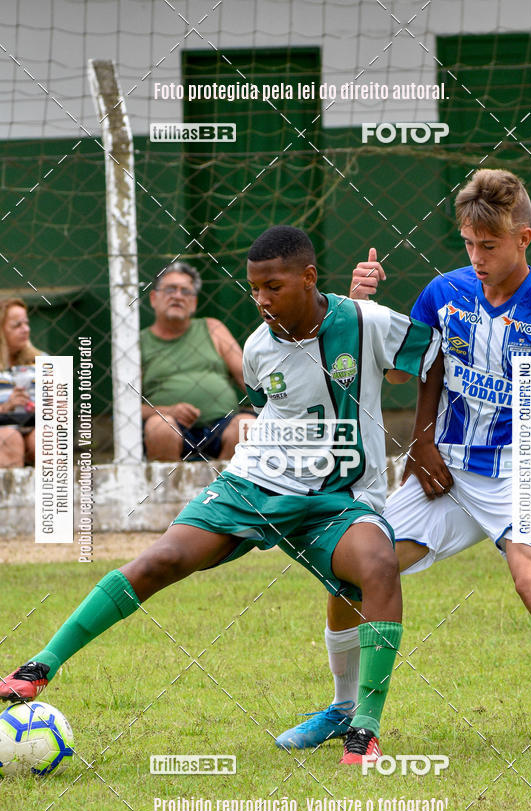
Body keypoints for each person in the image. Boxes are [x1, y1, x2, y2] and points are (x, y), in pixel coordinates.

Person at [0, 226, 441, 765]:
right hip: (256, 483)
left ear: (308, 278)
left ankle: (362, 727)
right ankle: (39, 665)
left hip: (341, 495)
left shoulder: (365, 321)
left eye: (273, 287)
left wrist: (423, 444)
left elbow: (428, 361)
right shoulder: (258, 348)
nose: (261, 300)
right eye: (254, 289)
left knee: (375, 567)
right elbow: (277, 404)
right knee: (161, 559)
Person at [276, 169, 531, 757]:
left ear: (523, 238)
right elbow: (408, 368)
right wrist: (360, 305)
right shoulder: (444, 293)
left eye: (490, 245)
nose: (476, 256)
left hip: (519, 470)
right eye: (469, 243)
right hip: (444, 469)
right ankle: (343, 709)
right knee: (354, 565)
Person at [141, 261, 256, 461]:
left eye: (185, 291)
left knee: (247, 426)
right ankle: (170, 492)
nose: (177, 296)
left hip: (223, 423)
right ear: (153, 298)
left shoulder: (212, 329)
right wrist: (168, 411)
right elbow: (124, 408)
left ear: (194, 303)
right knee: (160, 428)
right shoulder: (138, 343)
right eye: (170, 289)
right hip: (170, 425)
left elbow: (248, 379)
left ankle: (223, 491)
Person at [0, 298, 42, 467]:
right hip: (3, 427)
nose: (26, 330)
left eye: (26, 323)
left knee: (44, 441)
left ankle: (54, 493)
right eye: (17, 325)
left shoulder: (40, 360)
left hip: (35, 424)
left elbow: (61, 407)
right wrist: (6, 407)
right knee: (11, 439)